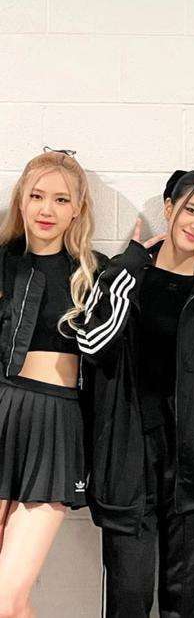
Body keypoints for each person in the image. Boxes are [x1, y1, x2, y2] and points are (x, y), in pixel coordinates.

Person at [76, 170, 194, 618]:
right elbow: (92, 344)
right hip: (126, 461)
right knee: (127, 600)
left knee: (184, 604)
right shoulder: (123, 275)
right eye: (191, 210)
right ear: (169, 208)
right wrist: (126, 272)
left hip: (191, 466)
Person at [0, 148, 101, 618]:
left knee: (6, 598)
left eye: (61, 200)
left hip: (55, 426)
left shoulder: (94, 274)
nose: (47, 209)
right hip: (3, 409)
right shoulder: (3, 263)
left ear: (77, 208)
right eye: (37, 196)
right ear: (21, 200)